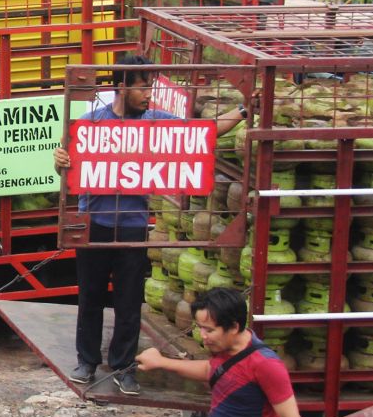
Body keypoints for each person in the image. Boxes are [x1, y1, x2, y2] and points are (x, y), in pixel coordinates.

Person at [53, 54, 246, 395]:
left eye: (151, 88)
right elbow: (68, 170)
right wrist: (60, 161)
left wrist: (244, 113)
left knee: (128, 303)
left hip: (133, 226)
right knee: (90, 299)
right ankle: (86, 362)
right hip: (93, 224)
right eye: (143, 88)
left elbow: (203, 134)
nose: (148, 95)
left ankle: (125, 367)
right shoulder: (91, 125)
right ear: (122, 87)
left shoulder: (156, 122)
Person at [136, 287, 306, 417]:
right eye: (200, 327)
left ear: (234, 327)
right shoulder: (224, 348)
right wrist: (161, 362)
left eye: (209, 330)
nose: (203, 336)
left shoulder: (266, 365)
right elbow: (211, 369)